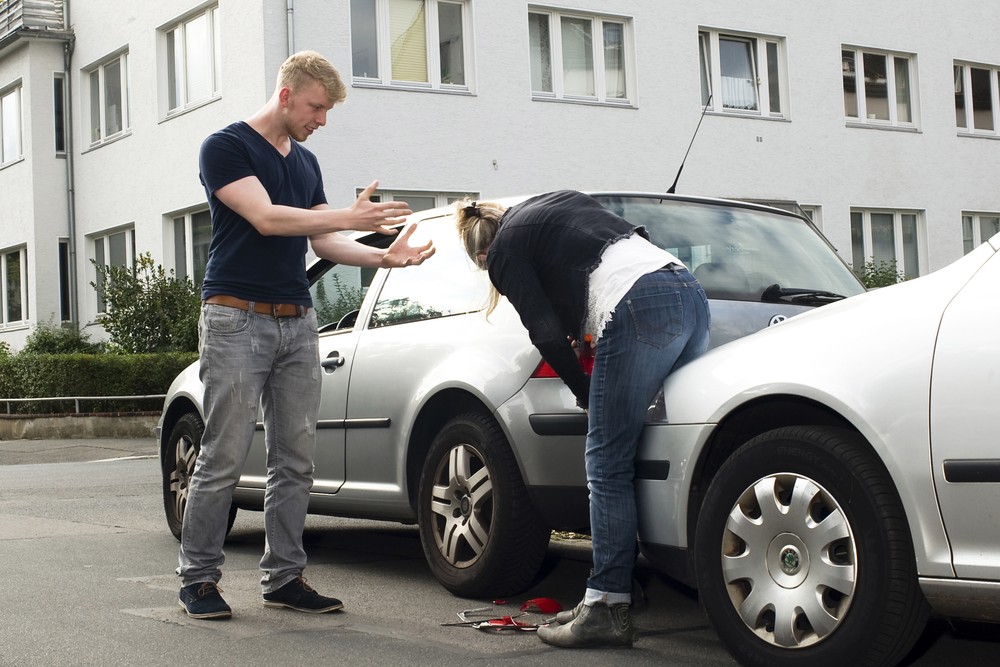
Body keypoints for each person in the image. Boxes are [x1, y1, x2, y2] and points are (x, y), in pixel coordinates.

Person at [177, 50, 435, 620]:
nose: (322, 120)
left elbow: (320, 243)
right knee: (223, 452)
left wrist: (383, 256)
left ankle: (284, 578)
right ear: (287, 94)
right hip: (235, 315)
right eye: (317, 107)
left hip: (297, 320)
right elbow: (269, 218)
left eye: (327, 111)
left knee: (295, 458)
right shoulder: (226, 146)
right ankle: (198, 579)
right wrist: (350, 217)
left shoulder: (307, 163)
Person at [456, 190, 710, 648]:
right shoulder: (557, 203)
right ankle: (616, 589)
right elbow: (622, 248)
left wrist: (586, 392)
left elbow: (545, 330)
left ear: (482, 254)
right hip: (687, 291)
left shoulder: (505, 252)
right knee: (666, 452)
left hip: (640, 303)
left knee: (606, 463)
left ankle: (608, 606)